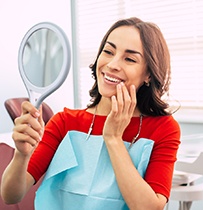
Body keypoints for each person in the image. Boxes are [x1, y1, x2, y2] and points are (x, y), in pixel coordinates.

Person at [1, 17, 180, 210]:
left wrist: (113, 138)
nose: (112, 64)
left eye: (129, 59)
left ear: (149, 74)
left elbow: (149, 208)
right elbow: (11, 195)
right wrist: (21, 155)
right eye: (108, 52)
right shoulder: (65, 122)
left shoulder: (164, 129)